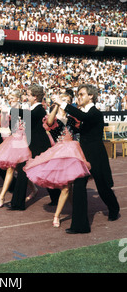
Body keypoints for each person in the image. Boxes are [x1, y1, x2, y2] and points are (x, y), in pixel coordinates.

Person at [52, 84, 120, 234]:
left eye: (82, 94)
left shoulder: (94, 113)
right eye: (78, 94)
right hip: (82, 155)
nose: (79, 96)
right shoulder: (82, 114)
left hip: (96, 155)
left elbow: (84, 117)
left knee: (103, 187)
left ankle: (114, 208)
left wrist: (62, 103)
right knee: (78, 186)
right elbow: (76, 127)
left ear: (91, 96)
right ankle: (80, 225)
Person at [24, 93, 91, 227]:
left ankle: (75, 211)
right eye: (62, 100)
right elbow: (49, 122)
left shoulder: (73, 118)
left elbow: (82, 121)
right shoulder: (53, 118)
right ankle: (57, 215)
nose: (63, 102)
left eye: (67, 101)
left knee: (69, 187)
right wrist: (56, 106)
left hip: (74, 154)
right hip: (59, 153)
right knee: (66, 187)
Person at [8, 84, 60, 210]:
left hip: (39, 145)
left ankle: (18, 203)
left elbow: (28, 116)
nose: (27, 96)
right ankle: (18, 203)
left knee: (43, 171)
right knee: (26, 171)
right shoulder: (35, 108)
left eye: (29, 94)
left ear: (35, 97)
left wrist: (14, 110)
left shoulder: (39, 109)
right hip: (34, 144)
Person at [0, 90, 32, 208]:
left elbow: (28, 125)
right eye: (9, 97)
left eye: (12, 97)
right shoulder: (9, 109)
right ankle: (34, 189)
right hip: (13, 140)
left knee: (14, 169)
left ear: (18, 98)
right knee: (14, 168)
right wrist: (4, 112)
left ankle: (1, 197)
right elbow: (3, 125)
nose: (10, 99)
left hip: (22, 141)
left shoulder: (24, 109)